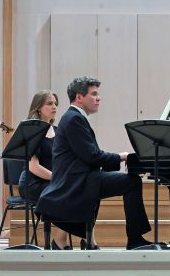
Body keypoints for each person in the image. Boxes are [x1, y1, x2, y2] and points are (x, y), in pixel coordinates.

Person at [36, 76, 152, 250]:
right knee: (132, 182)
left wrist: (117, 159)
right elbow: (92, 156)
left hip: (81, 177)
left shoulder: (73, 117)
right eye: (94, 94)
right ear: (79, 97)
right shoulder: (74, 119)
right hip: (76, 181)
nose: (99, 98)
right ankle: (135, 240)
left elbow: (90, 155)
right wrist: (121, 157)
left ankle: (129, 239)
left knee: (130, 181)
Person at [18, 91, 92, 250]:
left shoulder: (59, 130)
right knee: (68, 191)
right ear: (39, 107)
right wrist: (59, 179)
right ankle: (67, 240)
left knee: (83, 188)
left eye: (56, 104)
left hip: (53, 181)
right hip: (33, 183)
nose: (54, 107)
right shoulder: (32, 130)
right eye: (49, 103)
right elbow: (33, 167)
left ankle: (76, 238)